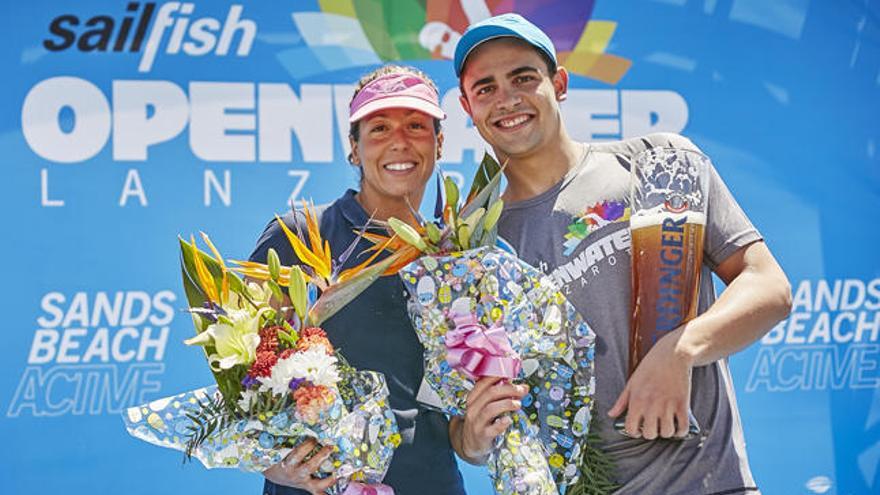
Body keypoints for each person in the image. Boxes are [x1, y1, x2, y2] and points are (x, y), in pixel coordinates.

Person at [449, 13, 792, 494]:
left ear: (560, 83)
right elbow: (465, 433)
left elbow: (769, 286)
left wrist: (681, 350)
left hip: (710, 483)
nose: (506, 98)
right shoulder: (476, 245)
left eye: (523, 77)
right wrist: (473, 434)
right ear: (467, 106)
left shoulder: (658, 162)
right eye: (485, 88)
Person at [249, 65, 466, 495]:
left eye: (417, 125)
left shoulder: (458, 252)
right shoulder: (301, 235)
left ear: (439, 142)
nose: (399, 141)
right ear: (354, 148)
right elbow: (246, 372)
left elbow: (464, 411)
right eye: (379, 128)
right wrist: (272, 462)